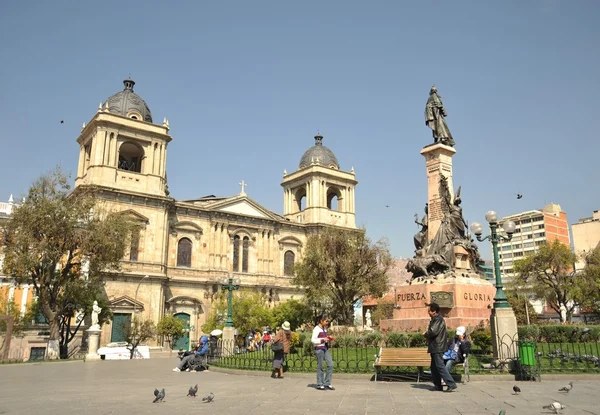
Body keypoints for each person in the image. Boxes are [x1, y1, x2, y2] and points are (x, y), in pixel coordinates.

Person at [422, 303, 457, 392]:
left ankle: (451, 384)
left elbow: (433, 332)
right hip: (435, 346)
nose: (428, 312)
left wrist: (425, 334)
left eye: (429, 311)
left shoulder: (437, 319)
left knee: (440, 366)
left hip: (438, 346)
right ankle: (437, 385)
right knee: (434, 367)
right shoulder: (435, 319)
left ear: (434, 312)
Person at [312, 313, 334, 390]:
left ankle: (327, 382)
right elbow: (313, 340)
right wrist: (322, 340)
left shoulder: (324, 328)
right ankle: (320, 383)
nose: (327, 322)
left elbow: (324, 338)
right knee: (320, 366)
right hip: (319, 349)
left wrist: (328, 338)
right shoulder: (316, 329)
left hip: (325, 348)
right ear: (321, 321)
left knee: (330, 364)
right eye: (326, 321)